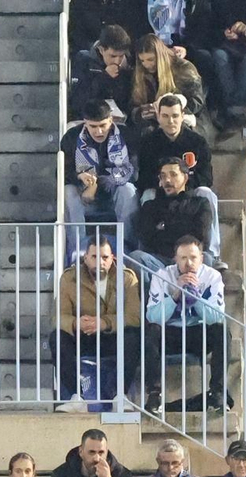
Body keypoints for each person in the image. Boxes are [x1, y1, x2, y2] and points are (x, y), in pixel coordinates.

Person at [143, 236, 230, 414]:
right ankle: (154, 394)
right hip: (171, 333)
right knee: (150, 331)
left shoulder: (213, 277)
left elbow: (216, 317)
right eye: (183, 258)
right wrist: (176, 294)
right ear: (175, 259)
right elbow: (153, 316)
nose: (188, 263)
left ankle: (218, 391)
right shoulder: (162, 276)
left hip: (198, 333)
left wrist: (195, 297)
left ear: (202, 259)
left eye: (193, 258)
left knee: (222, 330)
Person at [56, 236, 143, 412]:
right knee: (57, 338)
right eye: (95, 257)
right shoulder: (69, 278)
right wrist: (76, 323)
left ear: (113, 258)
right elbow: (58, 317)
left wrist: (105, 323)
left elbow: (134, 317)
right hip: (84, 335)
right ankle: (76, 397)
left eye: (105, 257)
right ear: (85, 258)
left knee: (133, 336)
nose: (100, 262)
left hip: (112, 336)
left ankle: (121, 395)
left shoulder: (127, 278)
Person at [61, 103, 139, 260]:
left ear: (111, 120)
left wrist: (101, 183)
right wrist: (79, 176)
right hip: (85, 196)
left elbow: (133, 171)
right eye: (93, 126)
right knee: (68, 192)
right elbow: (61, 172)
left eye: (103, 125)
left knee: (128, 190)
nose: (99, 131)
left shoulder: (126, 135)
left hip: (114, 194)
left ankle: (126, 247)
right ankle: (77, 249)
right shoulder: (72, 137)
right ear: (85, 122)